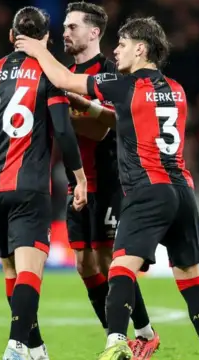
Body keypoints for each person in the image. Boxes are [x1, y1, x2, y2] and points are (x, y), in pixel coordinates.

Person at [15, 16, 199, 360]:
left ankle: (115, 342)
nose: (117, 50)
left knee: (120, 268)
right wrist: (92, 108)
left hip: (148, 189)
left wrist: (37, 49)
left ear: (141, 49)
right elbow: (130, 119)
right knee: (190, 280)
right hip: (183, 191)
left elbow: (64, 78)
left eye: (123, 44)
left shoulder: (123, 84)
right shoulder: (176, 89)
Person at [0, 6, 87, 360]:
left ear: (11, 37)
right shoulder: (47, 72)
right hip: (28, 186)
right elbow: (62, 130)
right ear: (46, 37)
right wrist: (79, 177)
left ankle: (34, 346)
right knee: (30, 272)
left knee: (11, 270)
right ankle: (15, 348)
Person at [61, 2, 158, 357]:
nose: (65, 32)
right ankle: (115, 336)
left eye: (73, 27)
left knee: (110, 261)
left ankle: (144, 333)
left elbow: (113, 125)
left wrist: (68, 117)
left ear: (94, 32)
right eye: (65, 27)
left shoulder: (110, 71)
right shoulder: (67, 72)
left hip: (110, 179)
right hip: (77, 180)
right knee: (84, 264)